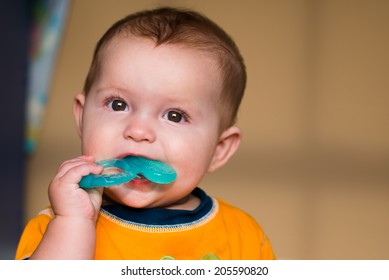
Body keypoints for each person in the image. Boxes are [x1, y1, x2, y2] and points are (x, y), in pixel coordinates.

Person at [16, 6, 275, 260]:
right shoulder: (55, 227)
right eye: (118, 104)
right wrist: (74, 223)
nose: (138, 131)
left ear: (219, 149)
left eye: (175, 116)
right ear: (82, 117)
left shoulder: (242, 235)